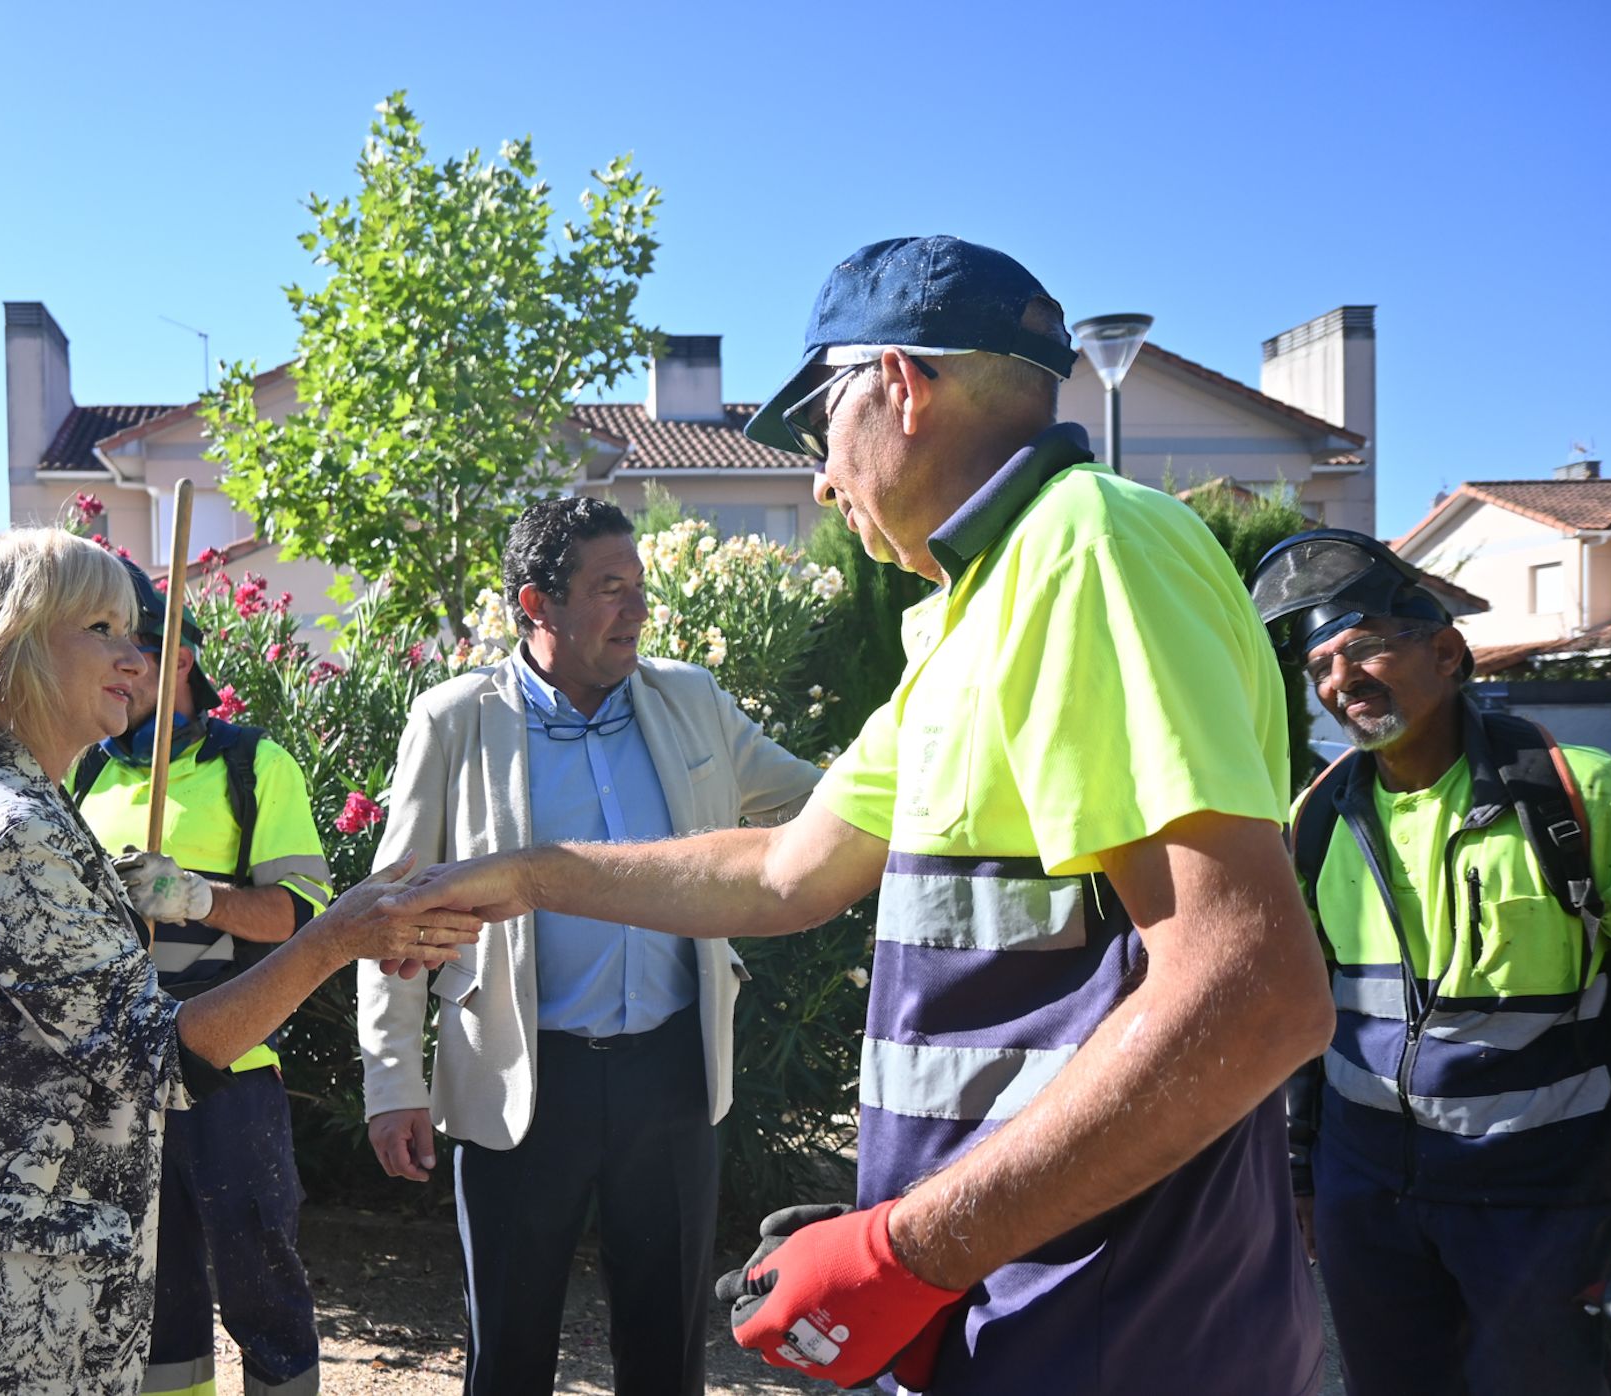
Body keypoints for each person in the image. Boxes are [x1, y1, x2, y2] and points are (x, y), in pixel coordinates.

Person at [383, 236, 1334, 1395]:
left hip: (1109, 1316)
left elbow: (1252, 990)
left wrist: (904, 1247)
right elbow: (787, 868)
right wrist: (527, 877)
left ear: (899, 384)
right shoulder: (972, 611)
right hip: (1016, 1295)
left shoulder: (1086, 553)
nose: (822, 482)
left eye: (816, 430)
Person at [0, 528, 477, 1396]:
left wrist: (213, 903)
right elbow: (150, 1058)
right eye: (101, 630)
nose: (137, 659)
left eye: (137, 634)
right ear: (9, 647)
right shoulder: (8, 828)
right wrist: (339, 938)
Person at [358, 495, 820, 1396]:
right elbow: (391, 914)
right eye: (611, 589)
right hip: (521, 1082)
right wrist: (391, 1083)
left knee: (667, 1352)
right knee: (512, 1354)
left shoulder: (690, 699)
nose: (637, 609)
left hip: (672, 1076)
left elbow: (813, 802)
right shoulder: (456, 722)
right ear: (537, 605)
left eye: (639, 586)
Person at [1250, 528, 1611, 1396]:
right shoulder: (1315, 818)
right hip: (1368, 1196)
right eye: (1321, 667)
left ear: (1447, 653)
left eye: (1364, 650)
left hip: (1544, 1198)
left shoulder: (1579, 791)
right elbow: (1308, 1007)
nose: (1340, 682)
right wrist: (1301, 1170)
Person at [78, 558, 330, 1396]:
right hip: (119, 1076)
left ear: (178, 657)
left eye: (129, 649)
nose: (110, 668)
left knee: (263, 1287)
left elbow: (302, 914)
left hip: (232, 1070)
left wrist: (193, 894)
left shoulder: (254, 767)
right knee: (153, 1297)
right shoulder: (83, 771)